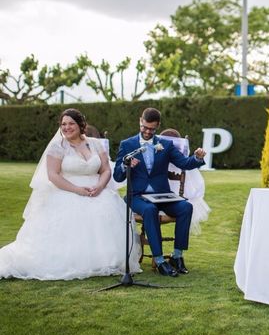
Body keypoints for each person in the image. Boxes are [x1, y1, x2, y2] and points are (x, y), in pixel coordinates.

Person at [0, 108, 140, 280]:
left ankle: (102, 261)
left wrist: (100, 186)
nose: (66, 127)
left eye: (71, 123)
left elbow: (105, 170)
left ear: (80, 125)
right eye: (63, 124)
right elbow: (53, 175)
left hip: (97, 191)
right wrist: (77, 190)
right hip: (66, 191)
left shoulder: (95, 144)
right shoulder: (57, 146)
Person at [113, 108, 206, 277]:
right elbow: (117, 177)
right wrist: (125, 165)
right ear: (140, 121)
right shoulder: (127, 145)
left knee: (186, 207)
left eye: (152, 129)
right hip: (137, 196)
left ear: (158, 126)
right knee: (150, 210)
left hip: (162, 195)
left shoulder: (166, 144)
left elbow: (184, 163)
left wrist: (197, 158)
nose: (148, 132)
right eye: (145, 127)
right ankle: (160, 260)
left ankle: (177, 257)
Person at [159, 128, 211, 234]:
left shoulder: (157, 159)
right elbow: (197, 187)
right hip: (177, 203)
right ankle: (177, 249)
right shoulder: (185, 161)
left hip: (157, 202)